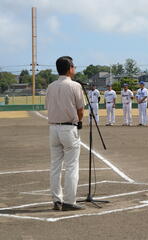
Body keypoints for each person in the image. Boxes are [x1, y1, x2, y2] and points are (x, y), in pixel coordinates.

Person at [45, 56, 84, 211]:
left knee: (55, 165)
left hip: (53, 128)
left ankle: (56, 200)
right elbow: (80, 109)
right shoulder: (75, 86)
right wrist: (79, 121)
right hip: (69, 128)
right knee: (71, 166)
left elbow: (47, 105)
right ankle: (69, 201)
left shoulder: (50, 86)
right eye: (73, 66)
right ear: (69, 69)